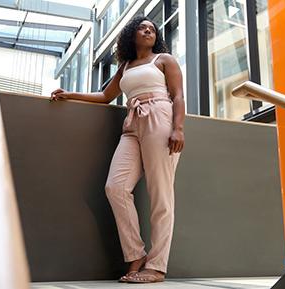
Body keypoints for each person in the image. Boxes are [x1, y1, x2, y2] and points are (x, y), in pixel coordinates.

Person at [50, 16, 185, 283]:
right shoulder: (125, 66)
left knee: (161, 195)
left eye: (152, 29)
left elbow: (178, 95)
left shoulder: (164, 60)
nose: (148, 31)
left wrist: (178, 128)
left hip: (160, 115)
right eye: (142, 27)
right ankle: (136, 253)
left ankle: (156, 267)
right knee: (116, 187)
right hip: (132, 122)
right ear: (130, 34)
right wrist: (70, 94)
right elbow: (105, 96)